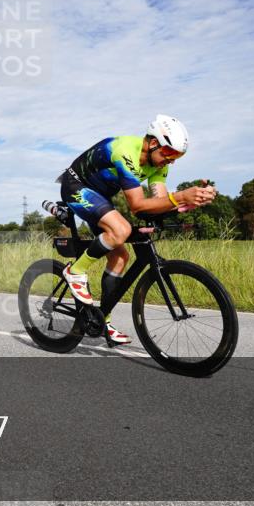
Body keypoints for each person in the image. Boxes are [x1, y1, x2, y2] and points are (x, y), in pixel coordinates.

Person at [57, 115, 217, 345]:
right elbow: (137, 205)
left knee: (121, 256)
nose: (171, 161)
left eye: (178, 157)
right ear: (153, 143)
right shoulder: (126, 152)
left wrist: (186, 204)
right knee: (120, 229)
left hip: (99, 197)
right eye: (170, 153)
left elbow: (158, 204)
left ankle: (103, 320)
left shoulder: (158, 165)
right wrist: (180, 195)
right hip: (76, 187)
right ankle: (75, 271)